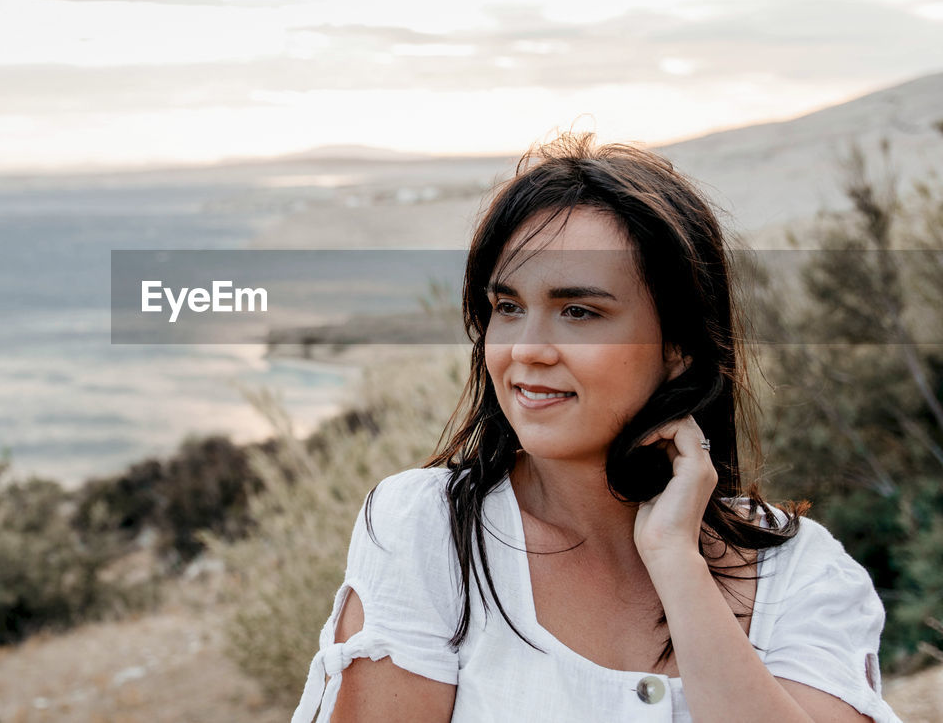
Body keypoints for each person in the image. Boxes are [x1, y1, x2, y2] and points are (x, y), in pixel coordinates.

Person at [291, 133, 902, 723]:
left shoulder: (800, 572)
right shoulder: (427, 531)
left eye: (579, 312)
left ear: (680, 346)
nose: (526, 349)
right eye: (507, 307)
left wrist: (677, 563)